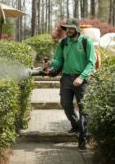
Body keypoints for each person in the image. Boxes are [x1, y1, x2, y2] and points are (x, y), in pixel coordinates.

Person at [43, 18, 96, 151]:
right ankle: (76, 125)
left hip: (81, 80)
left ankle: (83, 140)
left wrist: (82, 77)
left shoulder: (85, 42)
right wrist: (50, 63)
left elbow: (91, 62)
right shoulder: (63, 42)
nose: (68, 31)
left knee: (84, 109)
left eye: (71, 28)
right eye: (66, 28)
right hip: (66, 78)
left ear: (77, 30)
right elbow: (59, 60)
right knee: (65, 104)